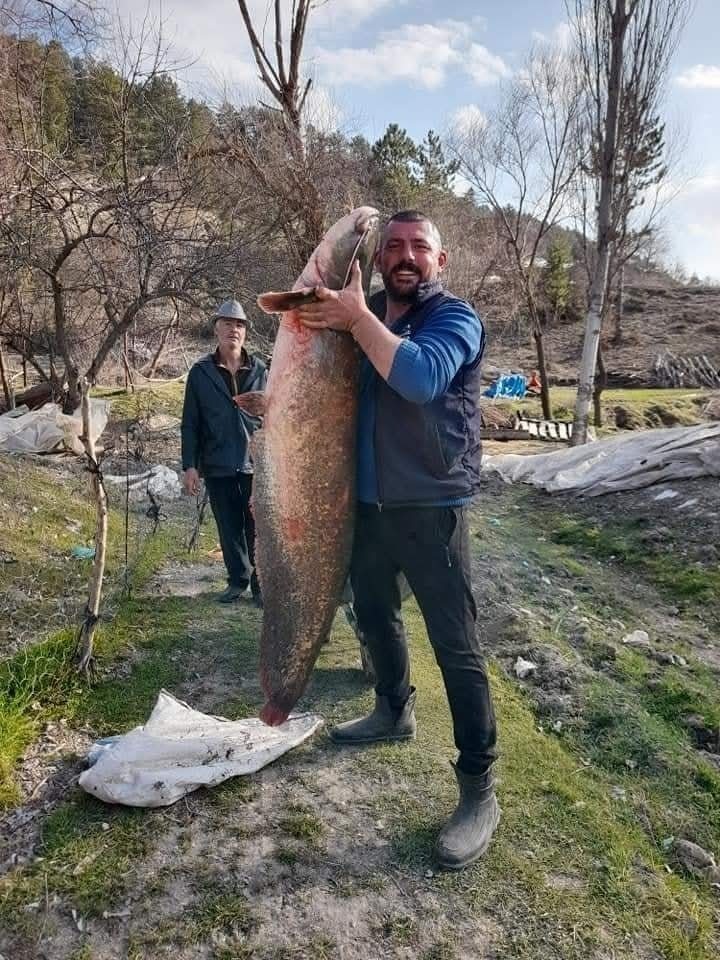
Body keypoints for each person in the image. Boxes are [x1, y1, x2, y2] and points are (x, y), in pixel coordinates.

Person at [294, 210, 499, 870]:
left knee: (456, 644)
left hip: (433, 506)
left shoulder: (455, 320)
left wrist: (357, 319)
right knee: (375, 613)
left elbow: (418, 378)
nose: (407, 256)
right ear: (380, 258)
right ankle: (393, 709)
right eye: (396, 247)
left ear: (440, 262)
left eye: (421, 247)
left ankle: (479, 790)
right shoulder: (365, 312)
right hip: (369, 505)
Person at [181, 299, 267, 605]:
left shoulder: (260, 369)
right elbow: (190, 422)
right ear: (216, 328)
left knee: (259, 529)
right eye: (228, 323)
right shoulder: (201, 372)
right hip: (217, 462)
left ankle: (261, 585)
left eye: (240, 325)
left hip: (256, 464)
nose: (234, 329)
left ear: (245, 332)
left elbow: (275, 416)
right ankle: (237, 580)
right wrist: (189, 465)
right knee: (229, 527)